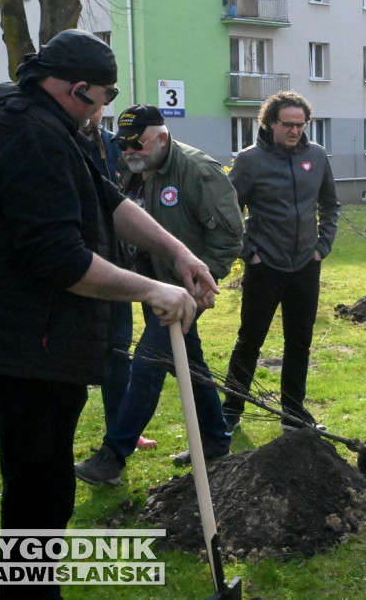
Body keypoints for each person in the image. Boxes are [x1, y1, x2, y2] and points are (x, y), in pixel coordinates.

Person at [0, 29, 215, 598]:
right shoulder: (26, 135)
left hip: (43, 339)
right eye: (102, 100)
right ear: (77, 89)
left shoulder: (52, 125)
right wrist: (153, 290)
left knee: (42, 488)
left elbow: (109, 200)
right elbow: (62, 261)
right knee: (38, 492)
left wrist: (177, 252)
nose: (102, 113)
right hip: (22, 344)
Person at [75, 105, 243, 486]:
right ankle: (216, 439)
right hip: (153, 285)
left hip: (186, 289)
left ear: (162, 138)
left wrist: (203, 284)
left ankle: (112, 457)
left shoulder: (199, 171)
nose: (129, 151)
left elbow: (230, 236)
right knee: (190, 363)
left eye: (138, 144)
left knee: (148, 363)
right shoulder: (129, 169)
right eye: (124, 144)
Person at [223, 91, 340, 433]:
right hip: (265, 267)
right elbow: (230, 213)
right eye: (288, 124)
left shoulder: (316, 156)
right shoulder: (249, 160)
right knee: (250, 341)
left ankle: (293, 414)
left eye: (300, 125)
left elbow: (330, 205)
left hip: (306, 265)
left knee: (300, 341)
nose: (294, 131)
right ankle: (230, 413)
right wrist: (250, 253)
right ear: (270, 122)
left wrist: (322, 246)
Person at [82, 108, 157, 452]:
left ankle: (120, 429)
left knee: (119, 350)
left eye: (102, 102)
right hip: (76, 265)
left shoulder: (114, 145)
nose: (94, 111)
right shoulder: (60, 143)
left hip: (117, 266)